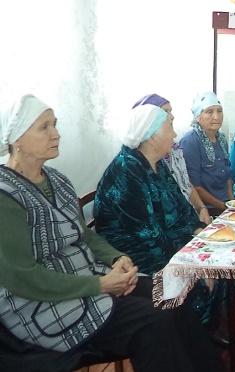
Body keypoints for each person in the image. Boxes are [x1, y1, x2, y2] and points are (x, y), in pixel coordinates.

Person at [0, 94, 223, 372]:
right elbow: (23, 278)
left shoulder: (57, 180)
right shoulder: (5, 195)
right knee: (154, 321)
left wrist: (117, 258)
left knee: (171, 295)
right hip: (42, 305)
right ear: (17, 139)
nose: (56, 134)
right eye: (44, 127)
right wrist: (101, 285)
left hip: (89, 278)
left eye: (55, 124)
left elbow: (84, 235)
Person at [94, 104, 228, 335]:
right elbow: (149, 237)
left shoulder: (156, 163)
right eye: (169, 127)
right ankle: (195, 338)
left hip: (166, 239)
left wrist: (201, 234)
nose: (174, 134)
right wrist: (192, 259)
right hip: (135, 254)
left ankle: (207, 332)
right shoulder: (127, 172)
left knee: (217, 255)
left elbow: (182, 206)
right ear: (152, 137)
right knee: (196, 275)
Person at [133, 93, 210, 224]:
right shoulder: (142, 161)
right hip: (173, 223)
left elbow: (186, 183)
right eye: (165, 111)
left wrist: (201, 208)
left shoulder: (174, 149)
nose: (172, 116)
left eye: (170, 111)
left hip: (186, 216)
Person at [180, 92, 233, 213]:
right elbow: (194, 186)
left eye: (219, 111)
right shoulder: (190, 142)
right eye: (209, 112)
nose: (217, 117)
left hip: (226, 204)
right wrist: (224, 207)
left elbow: (228, 176)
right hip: (206, 209)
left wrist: (232, 202)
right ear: (198, 116)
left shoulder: (221, 139)